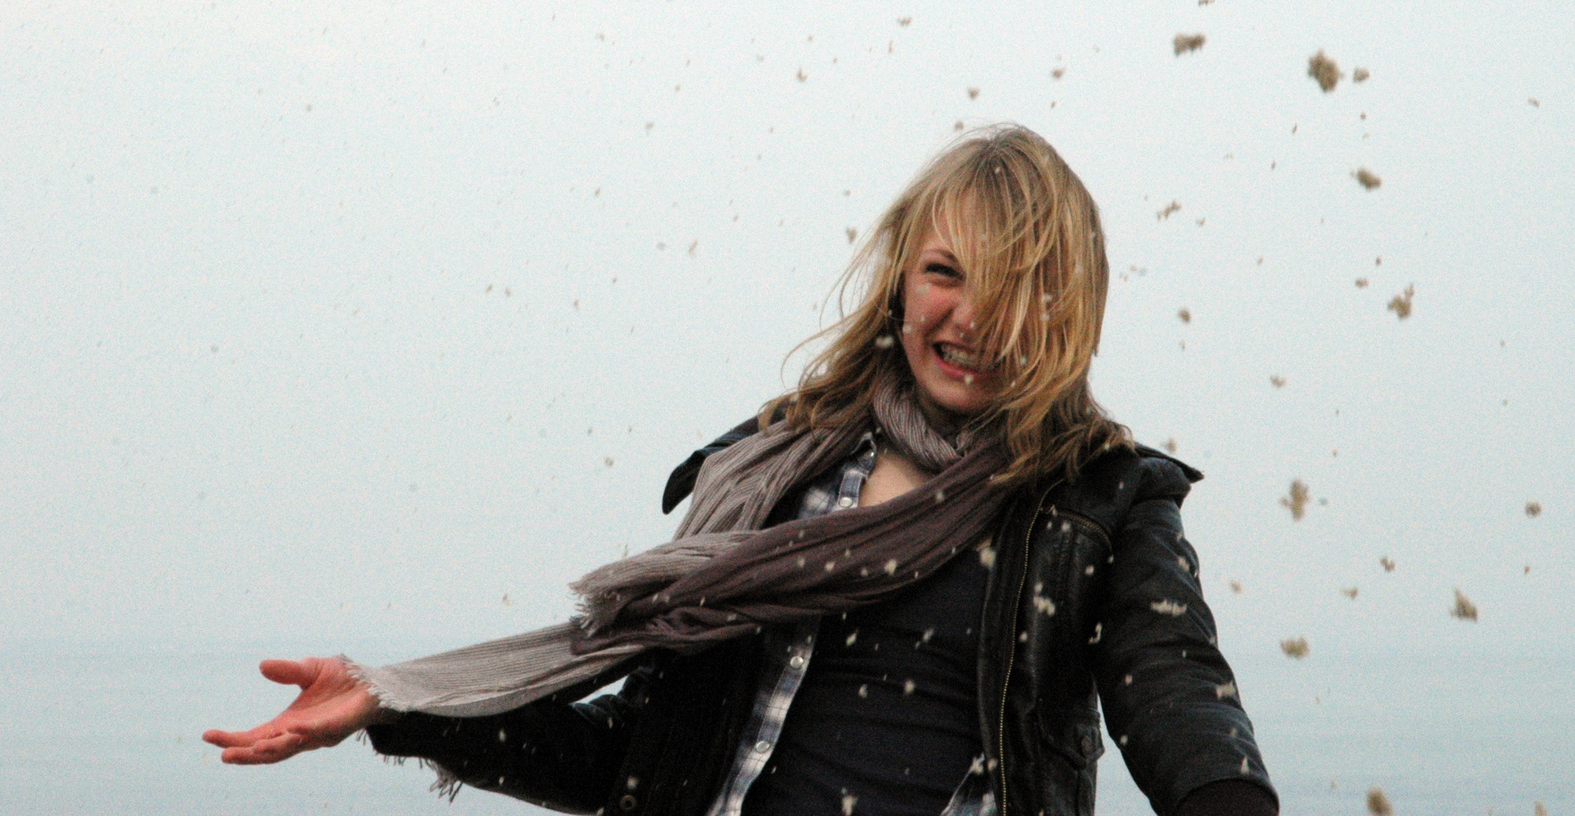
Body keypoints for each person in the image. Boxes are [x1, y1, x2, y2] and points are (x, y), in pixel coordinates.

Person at [204, 125, 1277, 816]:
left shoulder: (1098, 499)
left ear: (1065, 309)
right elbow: (628, 756)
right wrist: (391, 706)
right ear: (902, 278)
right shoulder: (767, 470)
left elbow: (1175, 692)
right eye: (945, 274)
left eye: (1014, 286)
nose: (970, 317)